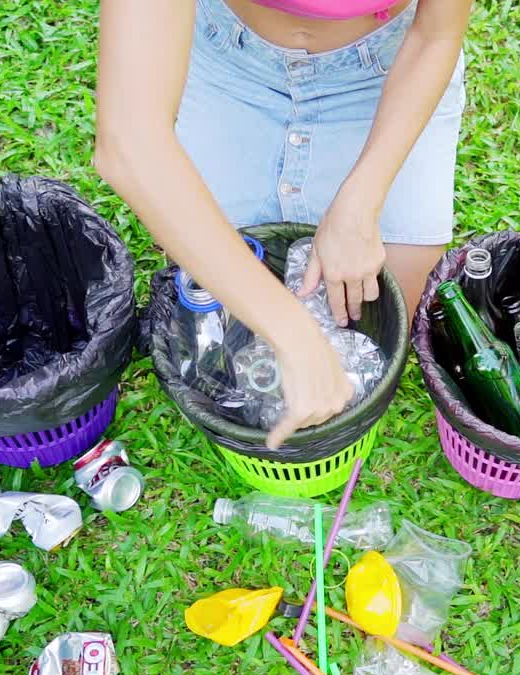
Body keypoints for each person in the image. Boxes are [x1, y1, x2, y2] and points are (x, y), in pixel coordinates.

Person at [95, 0, 472, 449]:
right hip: (229, 58)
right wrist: (292, 330)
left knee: (384, 315)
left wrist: (360, 201)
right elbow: (130, 141)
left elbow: (436, 34)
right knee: (215, 301)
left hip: (384, 66)